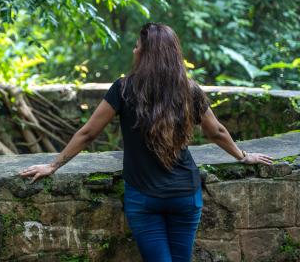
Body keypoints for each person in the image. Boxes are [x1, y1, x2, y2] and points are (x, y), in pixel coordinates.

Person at [18, 22, 274, 261]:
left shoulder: (124, 88)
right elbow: (216, 131)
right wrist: (242, 156)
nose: (134, 50)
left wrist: (53, 166)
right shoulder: (189, 89)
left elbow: (88, 133)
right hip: (185, 194)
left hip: (144, 198)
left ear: (147, 53)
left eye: (138, 46)